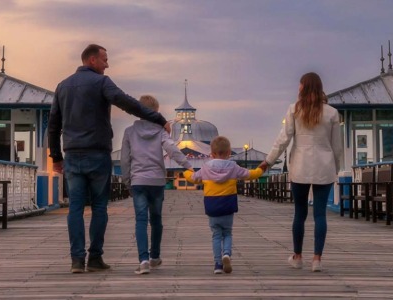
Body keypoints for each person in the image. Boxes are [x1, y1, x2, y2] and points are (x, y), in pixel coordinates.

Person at [48, 44, 171, 274]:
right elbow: (128, 103)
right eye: (105, 59)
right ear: (92, 60)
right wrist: (158, 118)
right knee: (99, 207)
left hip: (72, 155)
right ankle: (94, 258)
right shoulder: (102, 82)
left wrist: (56, 156)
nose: (108, 64)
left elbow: (53, 125)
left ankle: (77, 260)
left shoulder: (62, 86)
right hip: (97, 155)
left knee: (75, 208)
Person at [259, 72, 342, 272]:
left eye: (300, 85)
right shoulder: (331, 113)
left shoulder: (294, 110)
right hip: (324, 167)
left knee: (300, 213)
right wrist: (335, 168)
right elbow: (337, 147)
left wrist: (268, 161)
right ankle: (317, 260)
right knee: (320, 214)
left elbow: (283, 140)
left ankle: (297, 257)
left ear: (303, 87)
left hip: (300, 167)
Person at [120, 95, 193, 275]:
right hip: (156, 181)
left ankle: (143, 260)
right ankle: (155, 257)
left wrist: (127, 181)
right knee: (156, 219)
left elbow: (124, 160)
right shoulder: (160, 132)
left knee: (141, 220)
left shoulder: (129, 132)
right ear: (156, 112)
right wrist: (189, 166)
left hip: (138, 180)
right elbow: (172, 150)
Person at [184, 136, 264, 274]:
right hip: (228, 205)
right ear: (228, 153)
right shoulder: (233, 167)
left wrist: (186, 170)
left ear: (212, 153)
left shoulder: (205, 168)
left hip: (212, 206)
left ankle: (217, 264)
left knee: (216, 235)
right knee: (227, 233)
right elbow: (250, 175)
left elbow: (193, 178)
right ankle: (226, 254)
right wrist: (262, 168)